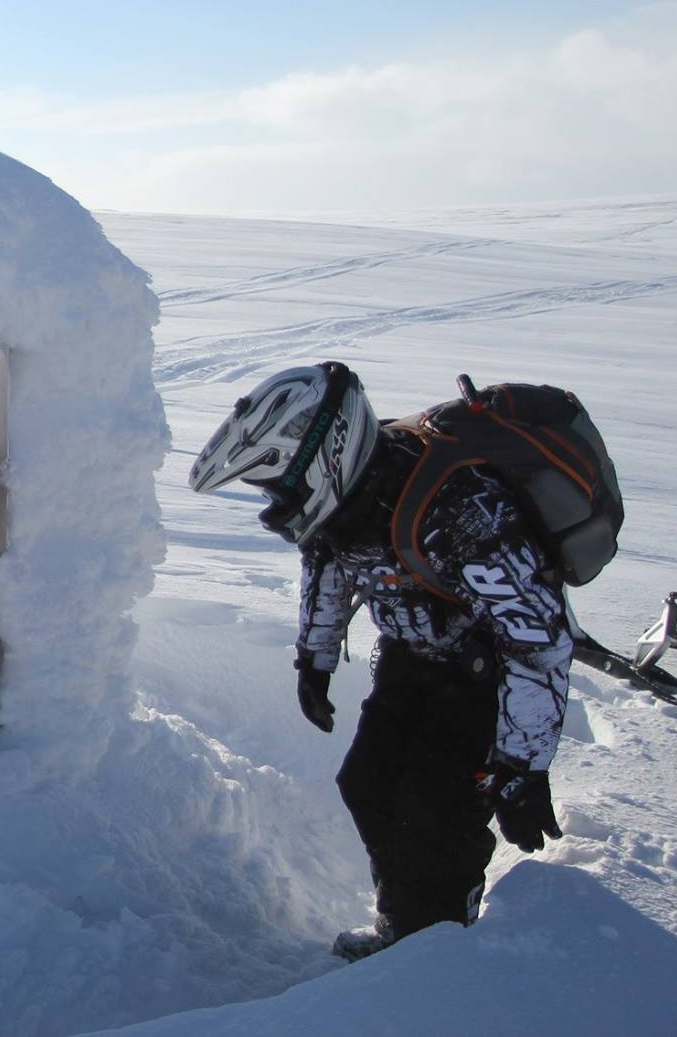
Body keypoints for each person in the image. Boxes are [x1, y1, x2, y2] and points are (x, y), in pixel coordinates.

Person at [187, 361, 570, 961]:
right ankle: (405, 923)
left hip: (484, 672)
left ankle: (440, 949)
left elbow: (539, 639)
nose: (276, 501)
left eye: (279, 485)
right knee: (365, 784)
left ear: (321, 458)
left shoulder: (461, 511)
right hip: (410, 653)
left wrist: (524, 766)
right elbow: (329, 568)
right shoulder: (349, 503)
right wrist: (313, 659)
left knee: (434, 810)